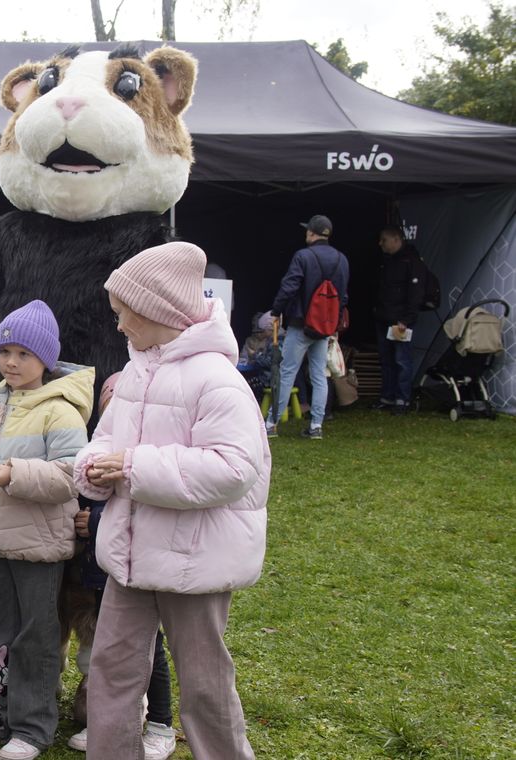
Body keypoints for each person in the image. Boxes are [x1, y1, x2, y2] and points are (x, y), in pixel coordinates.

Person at [73, 241, 269, 760]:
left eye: (124, 315)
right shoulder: (137, 370)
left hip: (193, 561)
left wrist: (134, 467)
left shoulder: (219, 381)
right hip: (131, 557)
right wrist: (92, 468)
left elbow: (232, 469)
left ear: (157, 310)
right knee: (111, 672)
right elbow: (105, 437)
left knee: (204, 684)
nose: (118, 327)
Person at [0, 300, 91, 760]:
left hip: (40, 549)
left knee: (36, 638)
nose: (11, 361)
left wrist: (14, 474)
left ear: (45, 359)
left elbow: (71, 476)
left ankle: (31, 728)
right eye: (5, 350)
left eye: (24, 353)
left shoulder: (61, 410)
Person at [65, 373, 177, 760]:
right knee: (110, 653)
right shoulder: (98, 457)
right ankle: (107, 724)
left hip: (143, 570)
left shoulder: (148, 460)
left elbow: (134, 515)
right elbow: (91, 501)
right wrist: (83, 523)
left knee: (151, 649)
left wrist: (92, 523)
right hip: (101, 577)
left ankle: (161, 723)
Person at [266, 214, 349, 440]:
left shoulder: (303, 256)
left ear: (312, 233)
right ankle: (316, 426)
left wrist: (276, 311)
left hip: (300, 325)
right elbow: (343, 297)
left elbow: (289, 286)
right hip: (324, 327)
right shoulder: (342, 259)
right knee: (319, 376)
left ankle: (272, 423)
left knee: (287, 372)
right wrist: (333, 321)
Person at [373, 226, 427, 414]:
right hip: (383, 317)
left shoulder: (411, 260)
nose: (381, 244)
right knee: (386, 360)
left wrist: (407, 318)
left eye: (384, 240)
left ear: (396, 239)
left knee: (402, 360)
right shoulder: (386, 261)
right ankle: (387, 396)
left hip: (400, 321)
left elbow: (416, 293)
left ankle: (402, 399)